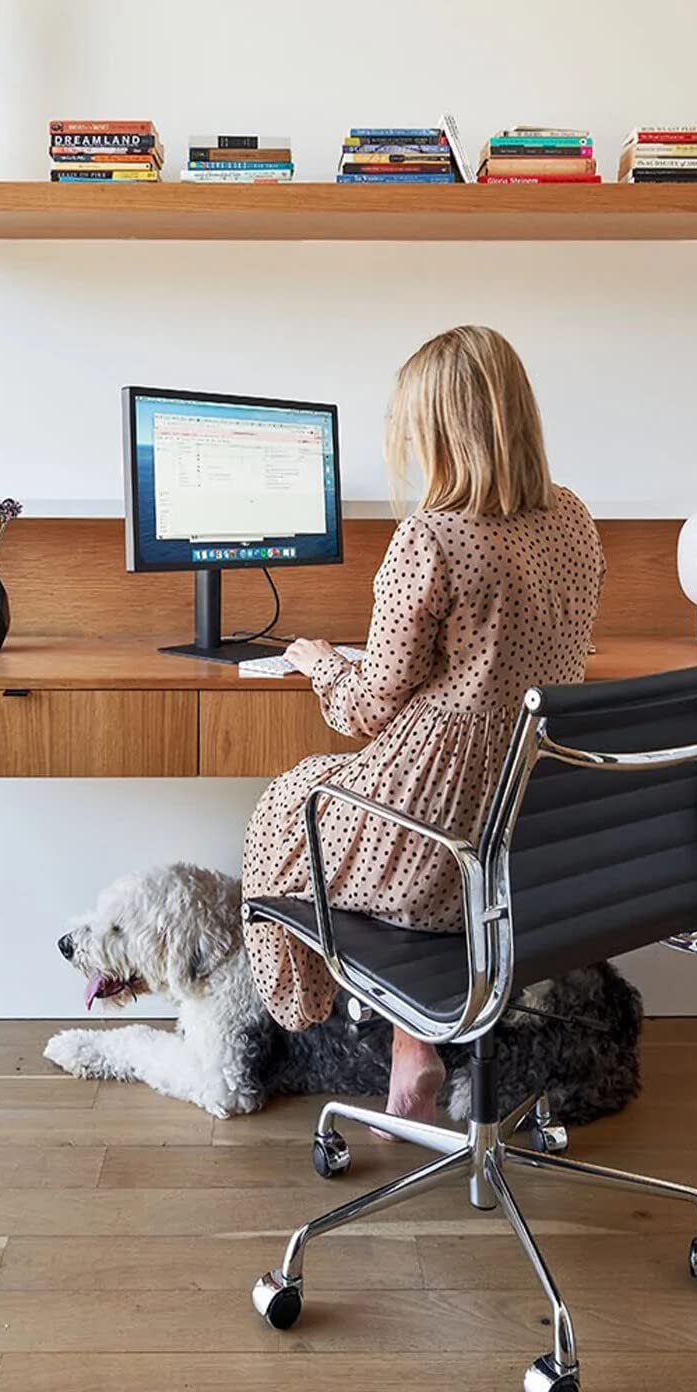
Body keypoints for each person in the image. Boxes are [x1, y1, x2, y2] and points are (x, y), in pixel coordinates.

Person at [241, 325, 605, 1126]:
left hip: (433, 830)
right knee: (391, 839)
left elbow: (369, 709)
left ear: (443, 431)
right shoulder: (574, 520)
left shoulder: (433, 536)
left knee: (287, 802)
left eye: (411, 426)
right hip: (526, 832)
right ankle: (415, 1043)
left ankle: (301, 1015)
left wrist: (320, 662)